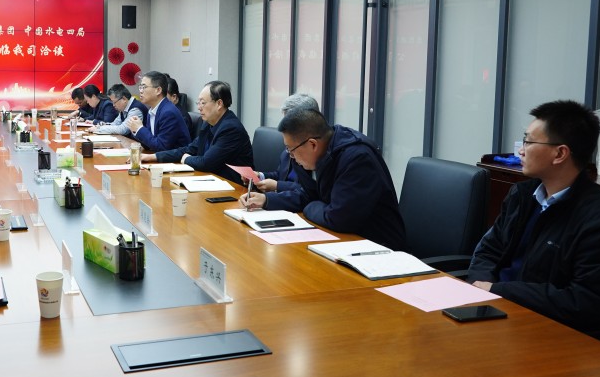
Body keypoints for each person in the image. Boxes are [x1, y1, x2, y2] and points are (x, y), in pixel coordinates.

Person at [467, 100, 600, 343]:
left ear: (560, 154)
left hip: (548, 332)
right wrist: (479, 287)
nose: (521, 151)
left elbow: (584, 302)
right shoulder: (522, 195)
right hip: (495, 310)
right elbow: (489, 249)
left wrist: (497, 291)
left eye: (529, 142)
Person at [241, 108, 405, 250]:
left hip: (378, 247)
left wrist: (310, 206)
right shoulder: (309, 155)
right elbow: (307, 195)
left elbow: (338, 218)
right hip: (338, 240)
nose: (291, 156)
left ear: (312, 144)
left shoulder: (357, 158)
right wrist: (267, 200)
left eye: (291, 150)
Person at [144, 80, 253, 184]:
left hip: (234, 187)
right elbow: (190, 149)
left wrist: (186, 159)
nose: (199, 107)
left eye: (203, 103)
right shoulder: (208, 123)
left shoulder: (230, 129)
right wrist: (153, 157)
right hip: (212, 180)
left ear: (219, 104)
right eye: (198, 102)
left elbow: (206, 163)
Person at [127, 71, 191, 152]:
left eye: (144, 87)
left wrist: (140, 129)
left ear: (158, 90)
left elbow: (162, 147)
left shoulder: (168, 112)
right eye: (140, 87)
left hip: (177, 159)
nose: (141, 91)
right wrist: (135, 129)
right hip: (159, 156)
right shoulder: (152, 110)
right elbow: (150, 143)